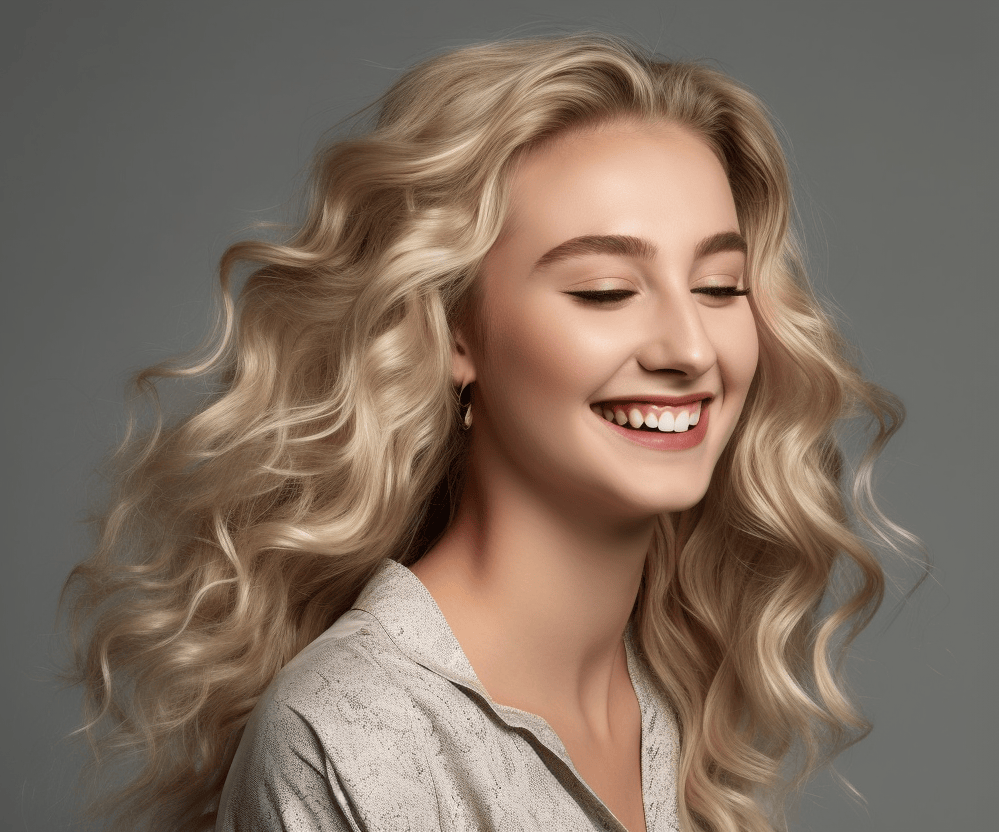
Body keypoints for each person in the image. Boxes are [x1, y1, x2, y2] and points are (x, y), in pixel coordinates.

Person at [63, 34, 916, 832]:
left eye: (720, 287)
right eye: (604, 291)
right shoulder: (349, 738)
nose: (690, 350)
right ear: (453, 334)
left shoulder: (677, 692)